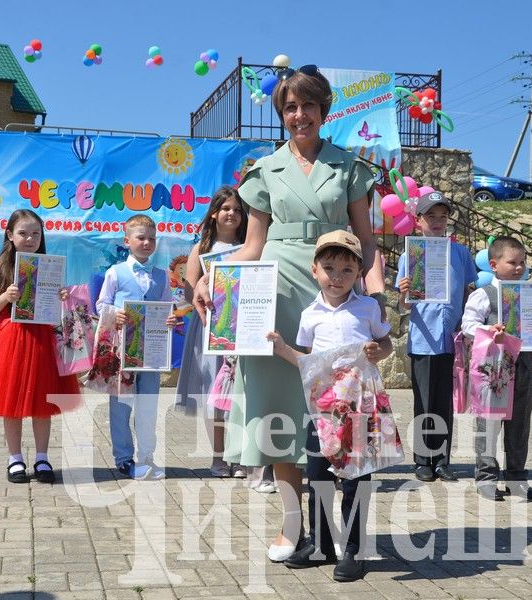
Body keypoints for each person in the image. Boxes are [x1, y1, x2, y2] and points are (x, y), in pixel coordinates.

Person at [192, 64, 382, 562]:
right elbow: (251, 247)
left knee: (336, 408)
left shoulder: (349, 167)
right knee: (279, 410)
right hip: (272, 293)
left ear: (324, 111)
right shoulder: (264, 171)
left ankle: (344, 531)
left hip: (334, 290)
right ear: (282, 114)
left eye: (308, 106)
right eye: (290, 107)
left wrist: (376, 295)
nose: (299, 115)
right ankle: (295, 525)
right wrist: (208, 283)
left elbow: (367, 240)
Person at [267, 230, 392, 582]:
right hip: (322, 410)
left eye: (347, 270)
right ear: (314, 270)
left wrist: (377, 351)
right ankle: (320, 544)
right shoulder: (310, 315)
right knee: (319, 475)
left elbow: (386, 344)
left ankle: (353, 549)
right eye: (330, 268)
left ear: (358, 274)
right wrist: (282, 348)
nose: (337, 277)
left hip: (359, 408)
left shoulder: (368, 307)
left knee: (355, 480)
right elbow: (308, 362)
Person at [0, 209, 80, 484]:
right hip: (12, 339)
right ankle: (15, 458)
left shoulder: (48, 265)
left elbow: (55, 307)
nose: (30, 238)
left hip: (41, 338)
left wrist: (62, 296)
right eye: (23, 233)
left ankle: (42, 457)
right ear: (10, 235)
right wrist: (5, 297)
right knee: (12, 401)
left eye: (35, 233)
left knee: (42, 401)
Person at [462, 236, 532, 501]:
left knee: (520, 424)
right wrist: (488, 329)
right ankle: (486, 477)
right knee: (489, 423)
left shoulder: (530, 294)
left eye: (522, 262)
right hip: (493, 369)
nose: (519, 267)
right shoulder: (483, 294)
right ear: (493, 264)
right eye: (512, 262)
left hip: (523, 366)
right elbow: (468, 324)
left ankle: (516, 478)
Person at [395, 191, 477, 483]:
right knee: (424, 402)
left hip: (451, 339)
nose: (438, 222)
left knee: (445, 403)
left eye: (443, 216)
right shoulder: (409, 255)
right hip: (423, 339)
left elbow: (471, 293)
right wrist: (404, 292)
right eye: (431, 216)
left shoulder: (461, 253)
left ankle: (442, 460)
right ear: (418, 221)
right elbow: (403, 305)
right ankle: (422, 461)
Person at [97, 214, 178, 481]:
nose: (147, 242)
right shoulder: (115, 272)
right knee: (121, 406)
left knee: (148, 405)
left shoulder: (161, 276)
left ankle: (146, 458)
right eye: (141, 237)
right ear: (127, 241)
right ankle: (123, 458)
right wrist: (115, 314)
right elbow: (101, 305)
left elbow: (168, 308)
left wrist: (170, 318)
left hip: (152, 354)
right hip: (123, 353)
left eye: (151, 238)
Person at [177, 186, 248, 478]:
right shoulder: (201, 250)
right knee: (214, 394)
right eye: (226, 209)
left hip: (242, 329)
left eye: (237, 210)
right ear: (215, 214)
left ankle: (241, 456)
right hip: (208, 330)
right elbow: (189, 292)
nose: (231, 214)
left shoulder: (251, 248)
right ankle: (218, 457)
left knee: (240, 393)